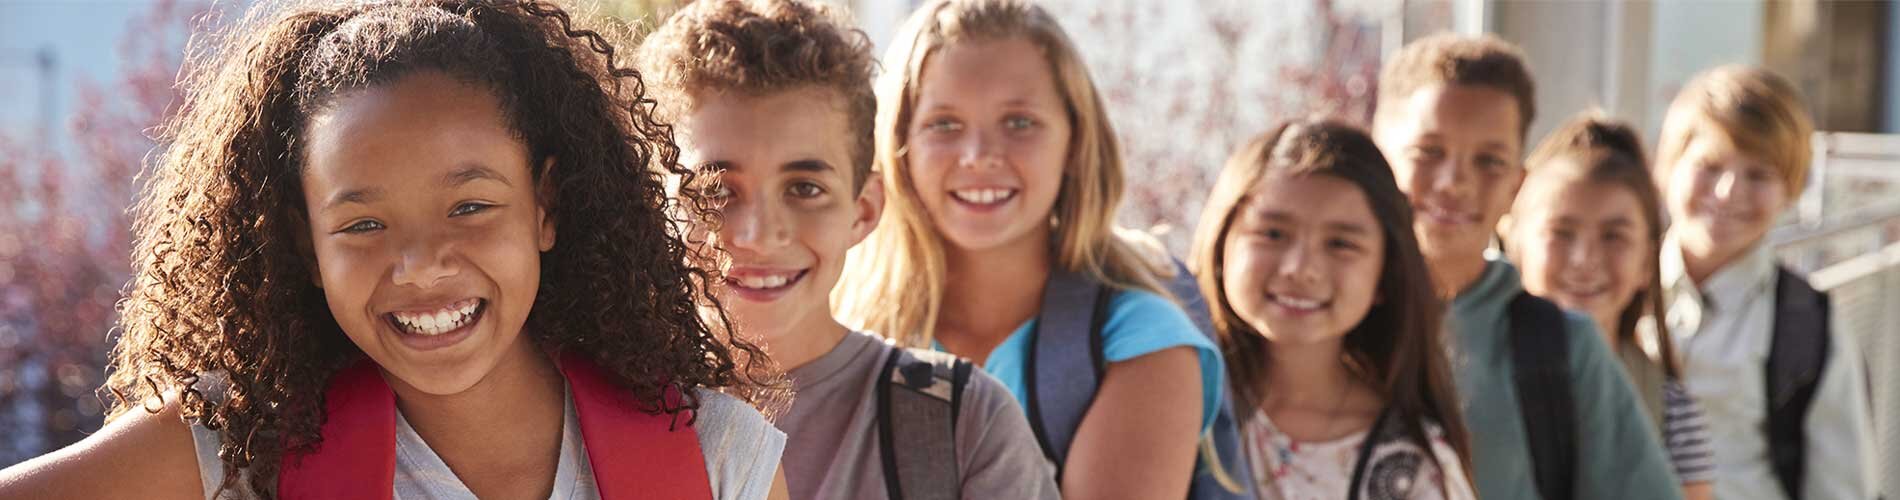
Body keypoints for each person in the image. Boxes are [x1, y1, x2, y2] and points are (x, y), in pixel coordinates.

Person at [0, 1, 787, 498]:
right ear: (306, 247)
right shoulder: (233, 450)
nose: (421, 264)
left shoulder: (714, 458)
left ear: (546, 206)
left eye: (470, 206)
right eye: (363, 225)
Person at [637, 1, 1058, 498]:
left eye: (804, 189)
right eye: (716, 191)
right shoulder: (587, 415)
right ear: (652, 202)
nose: (759, 233)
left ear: (863, 210)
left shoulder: (961, 425)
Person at [832, 1, 1237, 497]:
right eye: (944, 124)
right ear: (900, 145)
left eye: (1019, 122)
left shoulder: (1141, 342)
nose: (979, 156)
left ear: (1075, 142)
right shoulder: (847, 320)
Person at [1369, 32, 1680, 500]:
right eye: (1428, 152)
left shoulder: (1563, 349)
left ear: (1518, 185)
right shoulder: (1315, 316)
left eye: (1489, 161)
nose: (1454, 182)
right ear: (1376, 158)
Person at [1190, 119, 1476, 499]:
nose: (1300, 269)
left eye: (1340, 243)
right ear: (1222, 240)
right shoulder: (1177, 397)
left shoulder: (1413, 468)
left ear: (1384, 276)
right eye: (1272, 233)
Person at [1653, 65, 1876, 500]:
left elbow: (1842, 486)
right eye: (1709, 165)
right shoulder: (1611, 286)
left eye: (1758, 175)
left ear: (1790, 190)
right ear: (1668, 166)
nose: (1727, 192)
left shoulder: (1808, 323)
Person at [1504, 112, 1717, 500]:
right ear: (1515, 245)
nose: (1585, 258)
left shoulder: (1667, 404)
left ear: (1644, 264)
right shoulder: (1469, 371)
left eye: (1613, 237)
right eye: (1561, 233)